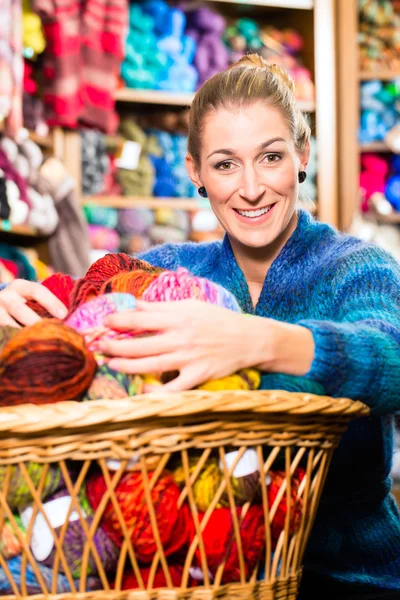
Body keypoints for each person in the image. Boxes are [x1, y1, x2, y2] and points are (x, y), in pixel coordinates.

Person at [0, 54, 400, 599]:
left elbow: (390, 358)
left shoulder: (356, 267)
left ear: (302, 156)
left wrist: (255, 344)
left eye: (271, 157)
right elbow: (79, 308)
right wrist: (15, 305)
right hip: (196, 579)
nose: (252, 188)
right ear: (196, 172)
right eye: (226, 164)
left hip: (348, 577)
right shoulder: (171, 268)